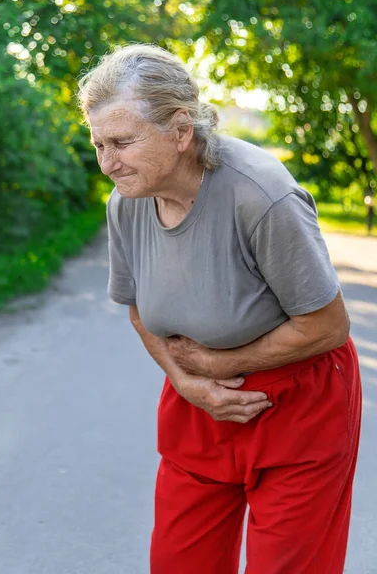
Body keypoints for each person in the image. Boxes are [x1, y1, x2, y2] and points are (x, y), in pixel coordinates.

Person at [77, 43, 362, 574]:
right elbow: (139, 308)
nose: (107, 163)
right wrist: (187, 382)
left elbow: (327, 325)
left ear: (181, 131)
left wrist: (218, 366)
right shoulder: (126, 202)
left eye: (121, 142)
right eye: (98, 144)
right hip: (196, 403)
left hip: (298, 405)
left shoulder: (262, 194)